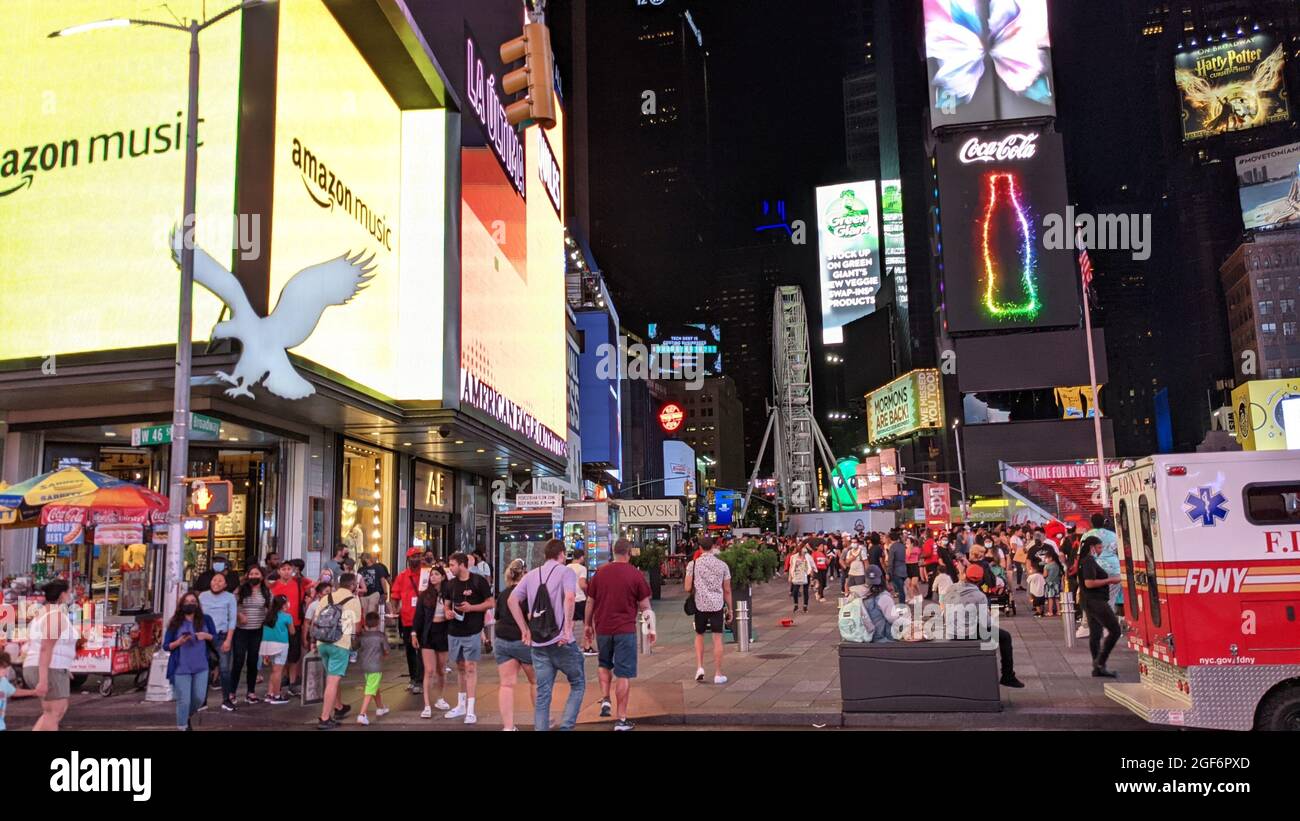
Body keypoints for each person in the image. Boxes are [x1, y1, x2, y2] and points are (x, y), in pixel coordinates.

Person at [508, 539, 585, 731]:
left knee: (543, 693)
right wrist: (567, 630)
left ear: (545, 555)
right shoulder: (566, 572)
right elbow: (569, 597)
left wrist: (524, 630)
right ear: (562, 554)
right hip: (561, 642)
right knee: (578, 684)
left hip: (539, 644)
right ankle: (566, 728)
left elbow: (512, 600)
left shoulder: (531, 575)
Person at [585, 538, 653, 730]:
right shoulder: (635, 574)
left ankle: (605, 698)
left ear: (613, 552)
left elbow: (590, 601)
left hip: (603, 628)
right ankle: (621, 719)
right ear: (629, 553)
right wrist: (651, 627)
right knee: (623, 674)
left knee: (603, 663)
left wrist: (588, 625)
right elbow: (645, 605)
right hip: (625, 630)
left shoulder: (600, 573)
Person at [941, 564, 1025, 688]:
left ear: (965, 575)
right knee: (1005, 637)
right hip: (968, 632)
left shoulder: (951, 589)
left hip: (951, 630)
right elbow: (986, 623)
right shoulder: (979, 596)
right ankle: (1008, 676)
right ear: (981, 580)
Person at [443, 552, 494, 724]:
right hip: (454, 630)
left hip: (472, 630)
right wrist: (447, 612)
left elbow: (490, 603)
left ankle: (471, 709)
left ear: (462, 565)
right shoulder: (450, 584)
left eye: (452, 565)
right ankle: (461, 704)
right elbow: (446, 602)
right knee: (460, 667)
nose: (450, 568)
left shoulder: (478, 581)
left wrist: (472, 608)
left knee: (470, 666)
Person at [23, 580, 78, 731]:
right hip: (50, 667)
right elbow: (46, 648)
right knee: (55, 712)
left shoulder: (42, 615)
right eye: (69, 592)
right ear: (62, 595)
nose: (70, 596)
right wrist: (43, 679)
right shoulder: (55, 616)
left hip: (47, 666)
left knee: (51, 713)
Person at [315, 573, 362, 730]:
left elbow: (316, 621)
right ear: (353, 585)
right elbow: (355, 626)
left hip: (322, 642)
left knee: (331, 678)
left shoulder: (325, 598)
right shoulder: (353, 601)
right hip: (340, 643)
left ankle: (339, 706)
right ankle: (325, 718)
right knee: (333, 681)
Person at [164, 591, 216, 730]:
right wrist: (179, 642)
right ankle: (182, 726)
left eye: (193, 601)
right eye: (187, 602)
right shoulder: (175, 622)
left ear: (198, 604)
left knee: (199, 698)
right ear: (181, 605)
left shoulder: (206, 619)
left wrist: (206, 636)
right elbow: (166, 646)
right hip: (181, 667)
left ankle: (185, 717)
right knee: (184, 700)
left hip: (201, 666)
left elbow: (215, 638)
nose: (190, 604)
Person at [493, 559, 535, 731]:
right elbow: (532, 616)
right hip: (523, 640)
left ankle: (508, 726)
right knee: (536, 681)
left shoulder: (503, 594)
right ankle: (542, 720)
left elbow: (497, 616)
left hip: (502, 640)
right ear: (525, 574)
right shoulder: (527, 593)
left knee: (506, 684)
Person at [684, 535, 733, 685]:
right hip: (717, 605)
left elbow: (687, 588)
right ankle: (718, 673)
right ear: (713, 547)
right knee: (717, 638)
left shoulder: (693, 564)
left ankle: (700, 667)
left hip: (700, 605)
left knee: (699, 635)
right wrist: (730, 609)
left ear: (699, 548)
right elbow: (727, 590)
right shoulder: (723, 565)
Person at [1079, 536, 1123, 677]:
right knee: (1115, 630)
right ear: (1092, 547)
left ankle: (1098, 667)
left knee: (1096, 633)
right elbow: (1089, 583)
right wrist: (1110, 580)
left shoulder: (1084, 560)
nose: (1100, 550)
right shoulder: (1088, 561)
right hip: (1095, 600)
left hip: (1089, 601)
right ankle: (1100, 661)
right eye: (1099, 547)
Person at [412, 565, 452, 718]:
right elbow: (419, 616)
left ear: (442, 576)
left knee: (441, 670)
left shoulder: (449, 593)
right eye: (431, 575)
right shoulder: (425, 595)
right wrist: (414, 633)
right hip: (428, 633)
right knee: (429, 670)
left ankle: (440, 698)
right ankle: (427, 704)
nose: (433, 577)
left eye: (436, 574)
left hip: (443, 632)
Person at [199, 571, 238, 712]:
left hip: (222, 636)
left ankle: (226, 700)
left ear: (226, 584)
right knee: (205, 669)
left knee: (225, 669)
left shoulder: (230, 597)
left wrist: (228, 640)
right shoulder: (202, 596)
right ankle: (202, 701)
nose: (217, 583)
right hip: (204, 637)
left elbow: (232, 619)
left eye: (220, 581)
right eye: (215, 580)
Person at [388, 548, 426, 694]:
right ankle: (413, 678)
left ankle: (420, 679)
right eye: (413, 556)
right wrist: (394, 609)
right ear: (408, 559)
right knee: (410, 650)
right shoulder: (403, 576)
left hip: (423, 618)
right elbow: (395, 595)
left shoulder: (426, 574)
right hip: (407, 619)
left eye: (418, 556)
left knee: (422, 650)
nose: (416, 559)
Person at [231, 565, 270, 703]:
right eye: (251, 574)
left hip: (257, 630)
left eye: (257, 574)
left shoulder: (266, 592)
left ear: (262, 576)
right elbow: (231, 606)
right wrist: (238, 615)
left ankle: (251, 692)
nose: (254, 576)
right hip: (241, 630)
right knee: (238, 660)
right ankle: (232, 692)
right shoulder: (240, 590)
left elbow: (269, 608)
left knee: (253, 661)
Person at [269, 561, 306, 698]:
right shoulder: (273, 586)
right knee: (279, 657)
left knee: (294, 656)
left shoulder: (298, 584)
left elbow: (313, 587)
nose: (286, 571)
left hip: (294, 623)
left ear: (292, 570)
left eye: (288, 569)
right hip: (277, 625)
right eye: (283, 569)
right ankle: (277, 685)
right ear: (278, 571)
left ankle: (292, 683)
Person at [848, 566, 906, 642]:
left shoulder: (856, 594)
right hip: (881, 638)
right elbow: (893, 619)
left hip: (863, 637)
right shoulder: (883, 597)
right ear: (882, 579)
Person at [355, 612, 390, 725]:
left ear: (365, 623)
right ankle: (362, 714)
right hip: (376, 666)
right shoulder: (380, 635)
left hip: (365, 666)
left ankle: (380, 708)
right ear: (378, 622)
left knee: (374, 686)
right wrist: (384, 656)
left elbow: (354, 646)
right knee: (370, 689)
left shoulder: (362, 636)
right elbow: (386, 650)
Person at [259, 594, 294, 705]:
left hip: (267, 645)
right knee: (278, 671)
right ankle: (277, 695)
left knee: (274, 670)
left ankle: (270, 694)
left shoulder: (268, 616)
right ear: (284, 604)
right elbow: (292, 631)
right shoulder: (287, 616)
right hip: (281, 645)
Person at [567, 548, 595, 656]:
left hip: (570, 599)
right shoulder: (582, 568)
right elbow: (582, 583)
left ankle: (568, 644)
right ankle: (586, 646)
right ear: (582, 557)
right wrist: (589, 591)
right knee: (587, 623)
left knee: (571, 623)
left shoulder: (567, 567)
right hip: (580, 599)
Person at [0, 651, 35, 731]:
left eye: (5, 667)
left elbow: (14, 691)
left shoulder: (3, 681)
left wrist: (33, 692)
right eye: (2, 667)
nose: (4, 670)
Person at [303, 580, 332, 654]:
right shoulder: (313, 605)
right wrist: (304, 639)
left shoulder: (334, 605)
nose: (330, 594)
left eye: (331, 592)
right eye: (327, 592)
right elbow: (306, 623)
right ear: (319, 594)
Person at [786, 543, 813, 615]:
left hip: (805, 574)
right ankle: (796, 604)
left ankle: (805, 606)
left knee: (805, 590)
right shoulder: (793, 557)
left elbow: (811, 565)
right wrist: (790, 576)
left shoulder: (807, 556)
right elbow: (791, 567)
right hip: (797, 574)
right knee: (795, 590)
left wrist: (811, 573)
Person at [886, 530, 909, 603]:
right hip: (903, 569)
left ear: (890, 538)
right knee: (902, 589)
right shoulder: (902, 546)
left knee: (900, 589)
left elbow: (890, 561)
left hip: (896, 570)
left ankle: (902, 605)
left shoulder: (892, 547)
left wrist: (888, 572)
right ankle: (903, 604)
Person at [1042, 552, 1062, 617]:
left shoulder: (1047, 566)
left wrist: (1042, 575)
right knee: (1057, 598)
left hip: (1050, 584)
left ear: (1050, 558)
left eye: (1046, 558)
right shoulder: (1057, 565)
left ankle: (1050, 612)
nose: (1045, 559)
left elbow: (1045, 575)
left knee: (1050, 598)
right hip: (1057, 583)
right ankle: (1059, 611)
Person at [904, 536, 922, 602]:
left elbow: (919, 555)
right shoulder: (905, 549)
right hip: (907, 566)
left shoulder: (916, 548)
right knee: (909, 584)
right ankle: (914, 596)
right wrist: (909, 549)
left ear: (912, 543)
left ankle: (914, 597)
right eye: (906, 541)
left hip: (914, 565)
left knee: (913, 584)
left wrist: (911, 549)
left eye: (908, 541)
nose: (907, 542)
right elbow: (907, 556)